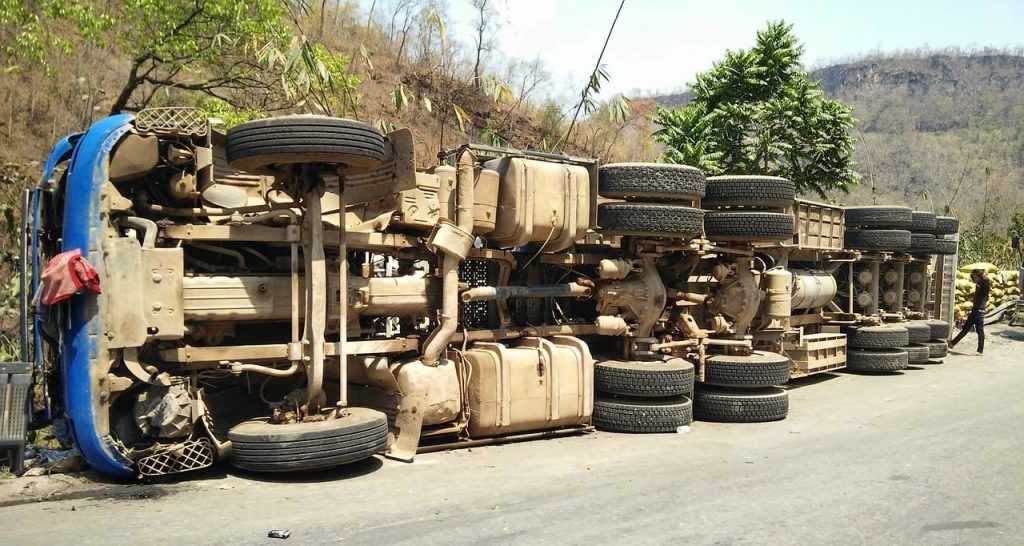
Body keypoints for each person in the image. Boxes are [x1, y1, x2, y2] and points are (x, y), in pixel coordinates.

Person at [949, 269, 991, 355]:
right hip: (975, 310)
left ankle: (980, 350)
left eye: (974, 277)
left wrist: (983, 275)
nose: (973, 279)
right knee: (965, 328)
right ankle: (952, 343)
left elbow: (986, 285)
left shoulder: (984, 284)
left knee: (980, 331)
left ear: (978, 276)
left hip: (979, 311)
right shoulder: (979, 284)